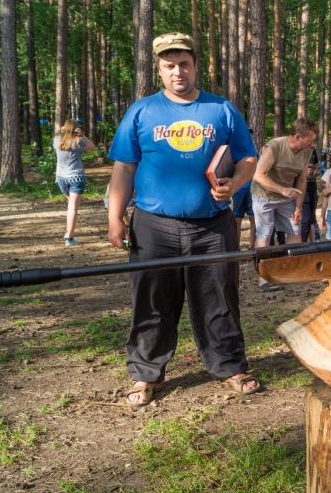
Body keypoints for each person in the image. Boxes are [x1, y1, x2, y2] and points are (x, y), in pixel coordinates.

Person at [107, 32, 260, 407]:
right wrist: (115, 218)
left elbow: (249, 159)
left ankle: (230, 365)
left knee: (219, 298)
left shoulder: (221, 109)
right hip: (153, 225)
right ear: (159, 69)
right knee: (152, 300)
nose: (178, 72)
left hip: (212, 225)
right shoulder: (141, 111)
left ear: (195, 66)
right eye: (169, 65)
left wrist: (235, 185)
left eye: (184, 64)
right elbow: (124, 167)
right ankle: (144, 374)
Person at [251, 118, 317, 291]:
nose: (313, 143)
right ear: (297, 136)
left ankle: (290, 272)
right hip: (264, 195)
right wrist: (283, 190)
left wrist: (298, 207)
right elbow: (258, 175)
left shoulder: (306, 151)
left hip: (287, 196)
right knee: (264, 235)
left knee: (295, 231)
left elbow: (302, 180)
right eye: (310, 139)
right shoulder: (275, 146)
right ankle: (264, 279)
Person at [54, 120, 96, 246]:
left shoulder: (56, 140)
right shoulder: (79, 141)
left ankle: (69, 231)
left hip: (61, 179)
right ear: (76, 129)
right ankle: (69, 238)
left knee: (71, 206)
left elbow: (59, 135)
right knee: (72, 208)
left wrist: (63, 131)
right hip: (76, 178)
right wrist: (82, 135)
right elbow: (93, 147)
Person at [232, 180, 256, 249]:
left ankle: (252, 248)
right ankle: (236, 248)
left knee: (253, 218)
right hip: (239, 187)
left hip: (253, 185)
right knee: (237, 219)